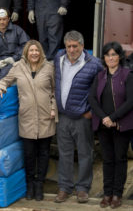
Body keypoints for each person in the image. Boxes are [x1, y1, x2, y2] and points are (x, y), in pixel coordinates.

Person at [0, 39, 58, 201]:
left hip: (45, 117)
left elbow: (56, 90)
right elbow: (5, 80)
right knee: (29, 155)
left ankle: (39, 186)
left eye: (37, 50)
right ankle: (29, 186)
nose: (34, 53)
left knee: (43, 154)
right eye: (31, 50)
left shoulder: (49, 68)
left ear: (40, 52)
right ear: (26, 53)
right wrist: (0, 87)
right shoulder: (18, 67)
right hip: (27, 118)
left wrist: (53, 108)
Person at [54, 30, 102, 204]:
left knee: (85, 154)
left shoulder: (94, 64)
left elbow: (102, 89)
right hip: (64, 116)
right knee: (64, 154)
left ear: (82, 46)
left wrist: (93, 111)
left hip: (83, 117)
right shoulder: (59, 58)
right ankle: (64, 188)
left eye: (75, 46)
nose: (72, 50)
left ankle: (82, 189)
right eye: (68, 46)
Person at [89, 41, 133, 209]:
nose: (111, 58)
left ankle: (117, 194)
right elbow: (92, 99)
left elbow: (130, 101)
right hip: (103, 125)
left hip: (121, 125)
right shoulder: (99, 76)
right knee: (107, 160)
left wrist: (113, 117)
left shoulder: (128, 75)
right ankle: (107, 194)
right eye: (108, 55)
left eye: (114, 54)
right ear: (104, 58)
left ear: (120, 56)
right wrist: (104, 118)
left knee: (119, 159)